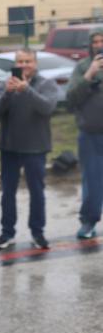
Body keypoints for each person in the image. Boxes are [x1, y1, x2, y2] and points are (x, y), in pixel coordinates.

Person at [0, 48, 58, 251]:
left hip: (36, 147)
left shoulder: (46, 84)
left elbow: (47, 108)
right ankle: (7, 233)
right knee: (7, 193)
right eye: (20, 61)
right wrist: (8, 94)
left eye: (28, 61)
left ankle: (38, 233)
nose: (24, 65)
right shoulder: (5, 84)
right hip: (9, 147)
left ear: (35, 63)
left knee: (37, 192)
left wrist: (26, 89)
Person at [66, 32, 103, 240]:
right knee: (94, 180)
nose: (99, 46)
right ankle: (89, 221)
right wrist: (89, 75)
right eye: (95, 42)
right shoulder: (82, 67)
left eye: (102, 42)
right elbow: (70, 99)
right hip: (91, 134)